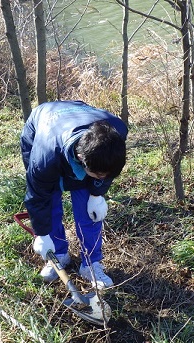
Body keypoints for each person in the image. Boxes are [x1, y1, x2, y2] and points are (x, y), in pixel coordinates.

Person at [20, 100, 128, 289]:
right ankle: (58, 255)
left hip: (79, 123)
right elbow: (38, 197)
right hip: (44, 127)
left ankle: (91, 264)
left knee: (88, 209)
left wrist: (97, 194)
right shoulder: (44, 158)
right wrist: (42, 234)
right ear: (81, 158)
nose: (104, 177)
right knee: (50, 199)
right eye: (98, 174)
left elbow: (107, 170)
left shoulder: (116, 132)